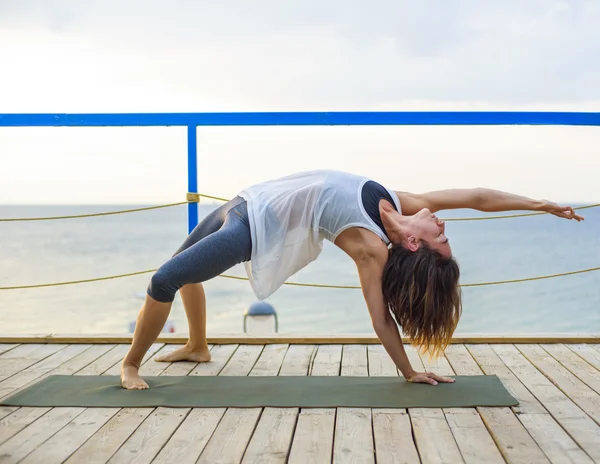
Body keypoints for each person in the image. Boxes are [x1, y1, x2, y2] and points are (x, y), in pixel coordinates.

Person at [120, 169, 584, 390]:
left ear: (417, 246)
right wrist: (541, 204)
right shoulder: (398, 201)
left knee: (164, 280)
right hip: (245, 201)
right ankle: (197, 346)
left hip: (251, 229)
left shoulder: (371, 248)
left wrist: (408, 371)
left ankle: (131, 365)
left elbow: (381, 318)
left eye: (443, 239)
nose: (444, 227)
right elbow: (478, 196)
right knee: (182, 270)